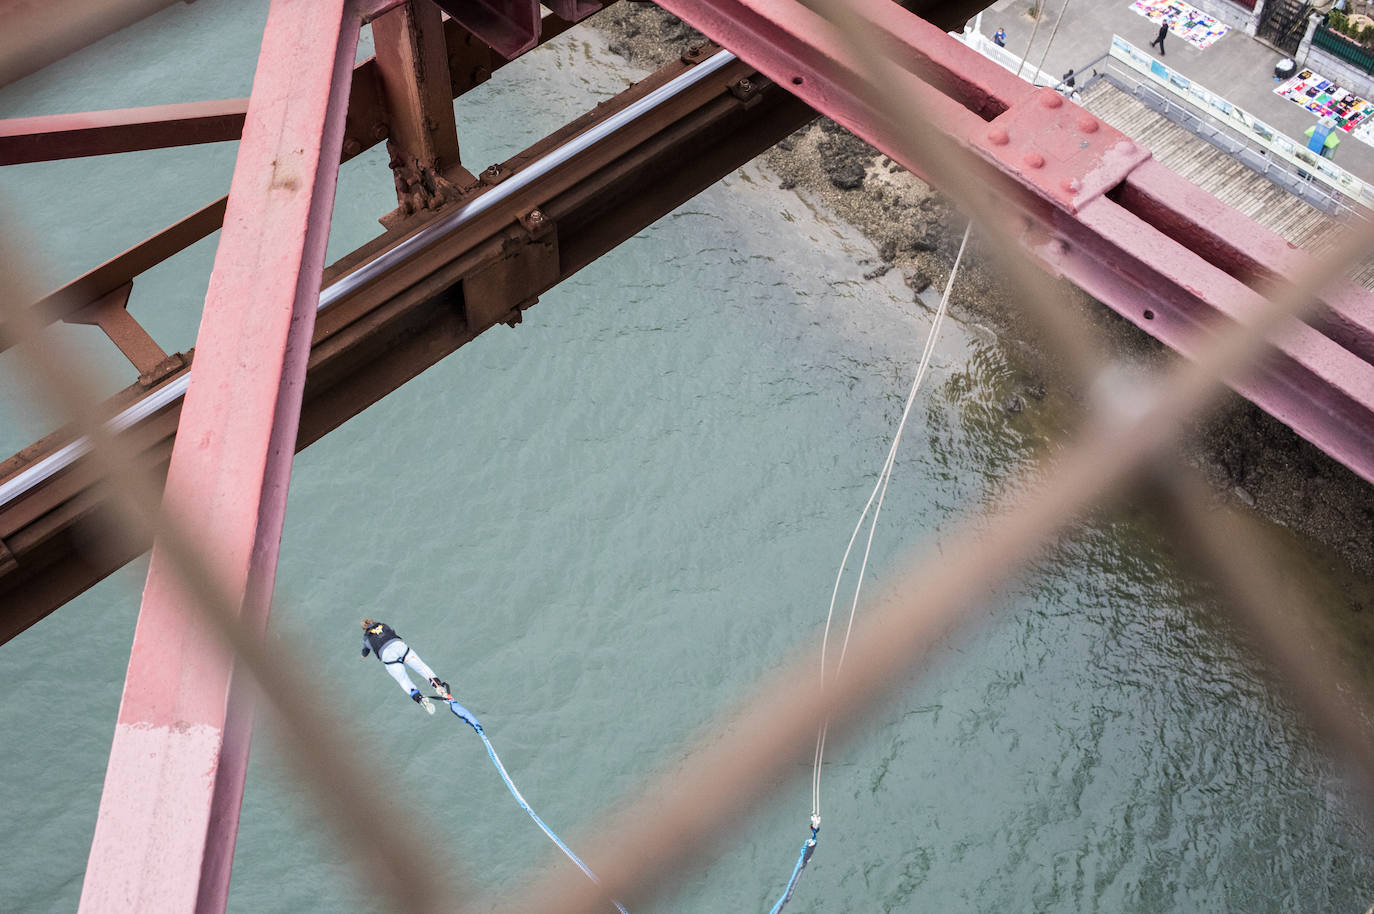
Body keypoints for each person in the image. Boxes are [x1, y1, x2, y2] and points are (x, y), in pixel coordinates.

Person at [360, 618, 450, 711]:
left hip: (388, 657)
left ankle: (420, 699)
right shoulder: (383, 625)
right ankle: (438, 686)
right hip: (400, 647)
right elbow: (392, 633)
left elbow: (364, 653)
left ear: (364, 629)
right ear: (373, 622)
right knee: (422, 668)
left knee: (403, 679)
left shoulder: (366, 639)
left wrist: (363, 654)